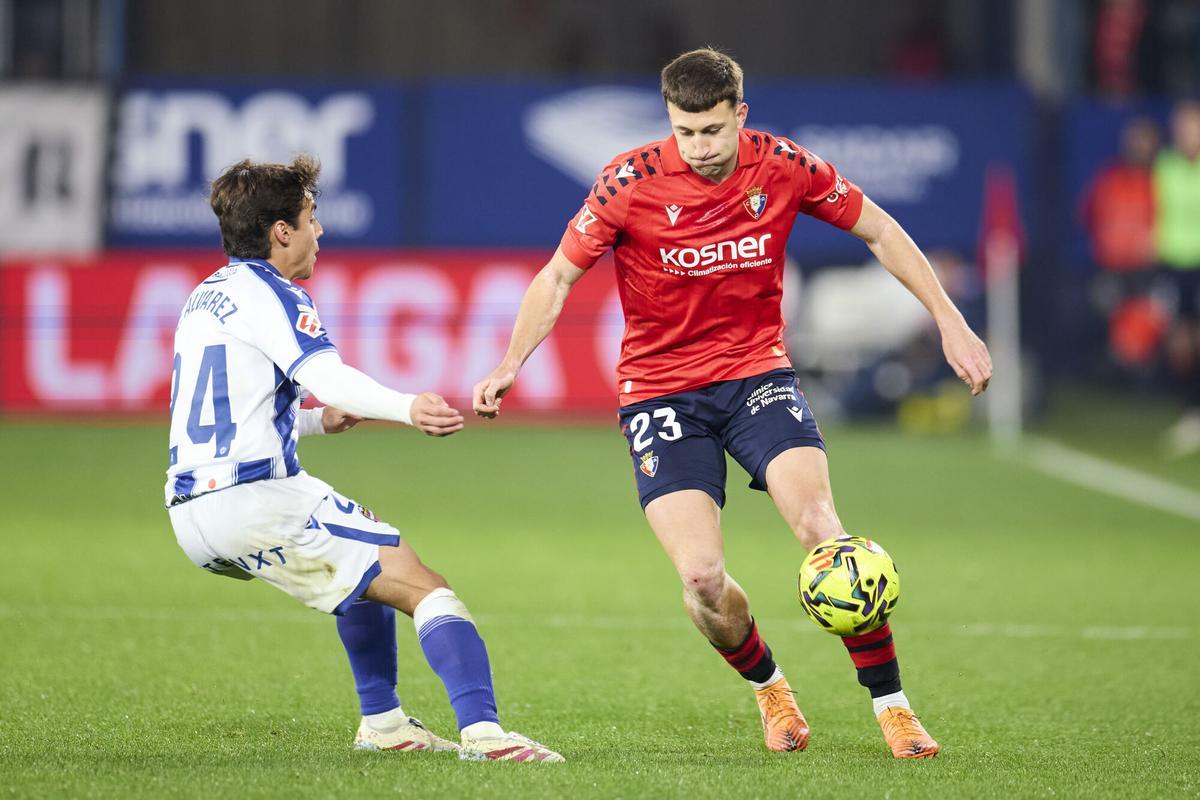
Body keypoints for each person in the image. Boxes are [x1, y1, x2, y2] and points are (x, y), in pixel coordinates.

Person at [473, 48, 992, 759]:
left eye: (713, 130)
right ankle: (772, 690)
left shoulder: (782, 165)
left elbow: (878, 228)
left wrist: (949, 319)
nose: (701, 148)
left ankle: (895, 709)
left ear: (739, 115)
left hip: (756, 375)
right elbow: (559, 276)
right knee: (701, 579)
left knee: (823, 530)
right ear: (670, 122)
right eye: (686, 132)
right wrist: (510, 363)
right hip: (660, 391)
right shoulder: (628, 182)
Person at [165, 155, 562, 763]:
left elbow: (228, 415)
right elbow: (327, 374)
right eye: (311, 218)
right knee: (427, 588)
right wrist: (408, 408)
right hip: (253, 498)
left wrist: (316, 423)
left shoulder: (205, 297)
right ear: (281, 232)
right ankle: (486, 737)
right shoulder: (275, 294)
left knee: (365, 566)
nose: (319, 232)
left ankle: (385, 724)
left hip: (192, 510)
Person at [1153, 100, 1200, 456]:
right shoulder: (1165, 166)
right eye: (1182, 127)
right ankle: (1189, 414)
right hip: (1174, 265)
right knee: (1181, 345)